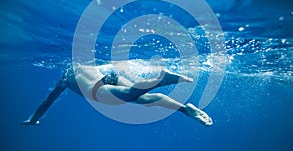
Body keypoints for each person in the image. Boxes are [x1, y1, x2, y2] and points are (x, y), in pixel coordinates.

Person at [22, 63, 213, 126]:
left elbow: (47, 102)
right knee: (141, 98)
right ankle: (184, 109)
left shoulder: (65, 77)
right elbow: (108, 69)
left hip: (95, 87)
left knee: (129, 95)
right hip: (109, 73)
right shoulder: (85, 66)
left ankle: (161, 79)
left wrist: (33, 120)